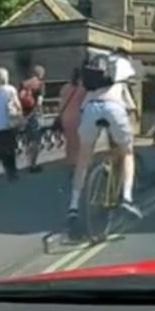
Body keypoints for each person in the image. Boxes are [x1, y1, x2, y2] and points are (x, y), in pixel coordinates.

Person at [67, 51, 143, 228]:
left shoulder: (96, 63)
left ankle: (73, 206)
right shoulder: (124, 64)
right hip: (114, 108)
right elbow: (133, 86)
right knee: (127, 153)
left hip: (90, 108)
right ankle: (127, 199)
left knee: (83, 159)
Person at [19, 65, 46, 174]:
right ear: (41, 75)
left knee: (28, 141)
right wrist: (40, 115)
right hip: (34, 116)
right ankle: (33, 165)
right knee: (36, 141)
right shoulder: (40, 84)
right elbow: (39, 102)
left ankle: (28, 163)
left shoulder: (23, 84)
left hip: (23, 116)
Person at [58, 68, 85, 167]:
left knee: (69, 140)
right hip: (77, 117)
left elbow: (61, 103)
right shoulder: (82, 89)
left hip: (65, 116)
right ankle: (78, 161)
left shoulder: (65, 87)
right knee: (78, 140)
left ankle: (70, 160)